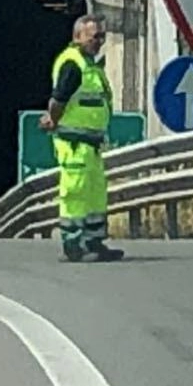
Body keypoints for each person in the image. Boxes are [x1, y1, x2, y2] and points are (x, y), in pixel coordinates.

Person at [39, 14, 125, 263]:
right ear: (78, 37)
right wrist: (53, 119)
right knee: (75, 193)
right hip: (74, 143)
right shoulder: (72, 63)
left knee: (95, 194)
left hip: (92, 144)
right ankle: (73, 242)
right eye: (94, 36)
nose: (99, 41)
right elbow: (59, 98)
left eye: (102, 36)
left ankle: (93, 241)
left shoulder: (91, 66)